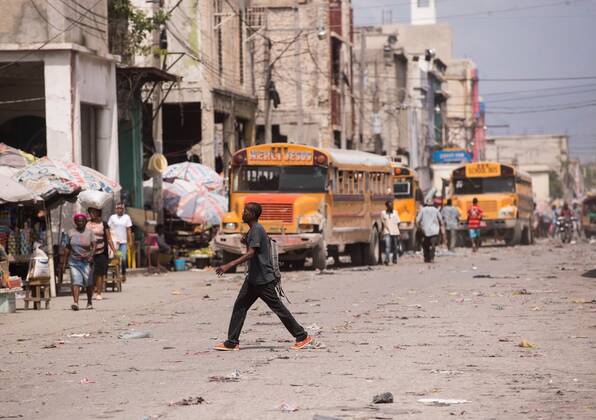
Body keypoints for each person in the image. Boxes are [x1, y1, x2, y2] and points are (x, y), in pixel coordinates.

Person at [214, 202, 313, 351]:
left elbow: (251, 253)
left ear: (253, 215)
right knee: (240, 307)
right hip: (254, 278)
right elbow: (257, 249)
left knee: (278, 309)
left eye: (246, 211)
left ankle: (302, 337)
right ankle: (232, 342)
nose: (243, 213)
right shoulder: (254, 230)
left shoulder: (257, 229)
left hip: (262, 279)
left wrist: (228, 265)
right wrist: (246, 241)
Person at [61, 214, 96, 311]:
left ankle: (89, 302)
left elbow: (94, 245)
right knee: (76, 281)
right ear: (75, 222)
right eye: (78, 221)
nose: (80, 223)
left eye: (82, 221)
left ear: (86, 222)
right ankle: (75, 302)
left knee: (89, 282)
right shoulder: (70, 232)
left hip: (86, 261)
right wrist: (64, 263)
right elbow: (67, 248)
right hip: (74, 261)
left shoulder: (90, 233)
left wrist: (91, 255)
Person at [87, 208, 116, 300]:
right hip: (89, 252)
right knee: (90, 273)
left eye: (93, 212)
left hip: (101, 252)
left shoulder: (104, 224)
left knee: (100, 273)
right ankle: (90, 291)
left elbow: (109, 238)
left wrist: (114, 250)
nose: (91, 214)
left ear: (98, 213)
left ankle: (98, 293)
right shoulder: (86, 224)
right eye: (90, 212)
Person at [108, 203, 133, 281]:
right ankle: (116, 274)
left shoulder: (126, 217)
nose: (119, 210)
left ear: (123, 209)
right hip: (114, 242)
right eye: (118, 208)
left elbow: (128, 229)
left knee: (123, 258)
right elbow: (108, 229)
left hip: (123, 242)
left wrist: (130, 241)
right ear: (116, 209)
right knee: (115, 258)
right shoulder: (112, 217)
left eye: (121, 208)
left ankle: (123, 273)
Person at [416, 199, 444, 263]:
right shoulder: (436, 210)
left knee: (425, 245)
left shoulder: (423, 210)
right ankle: (432, 258)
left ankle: (427, 258)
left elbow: (417, 220)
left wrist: (419, 227)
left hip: (425, 231)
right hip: (434, 231)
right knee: (433, 245)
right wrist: (440, 226)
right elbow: (441, 220)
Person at [381, 200, 400, 265]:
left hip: (395, 231)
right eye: (389, 205)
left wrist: (398, 232)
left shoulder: (395, 212)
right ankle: (387, 259)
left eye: (392, 205)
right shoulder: (383, 213)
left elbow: (398, 222)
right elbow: (382, 223)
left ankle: (394, 259)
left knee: (395, 246)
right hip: (387, 231)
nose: (391, 206)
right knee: (387, 246)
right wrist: (382, 232)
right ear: (387, 206)